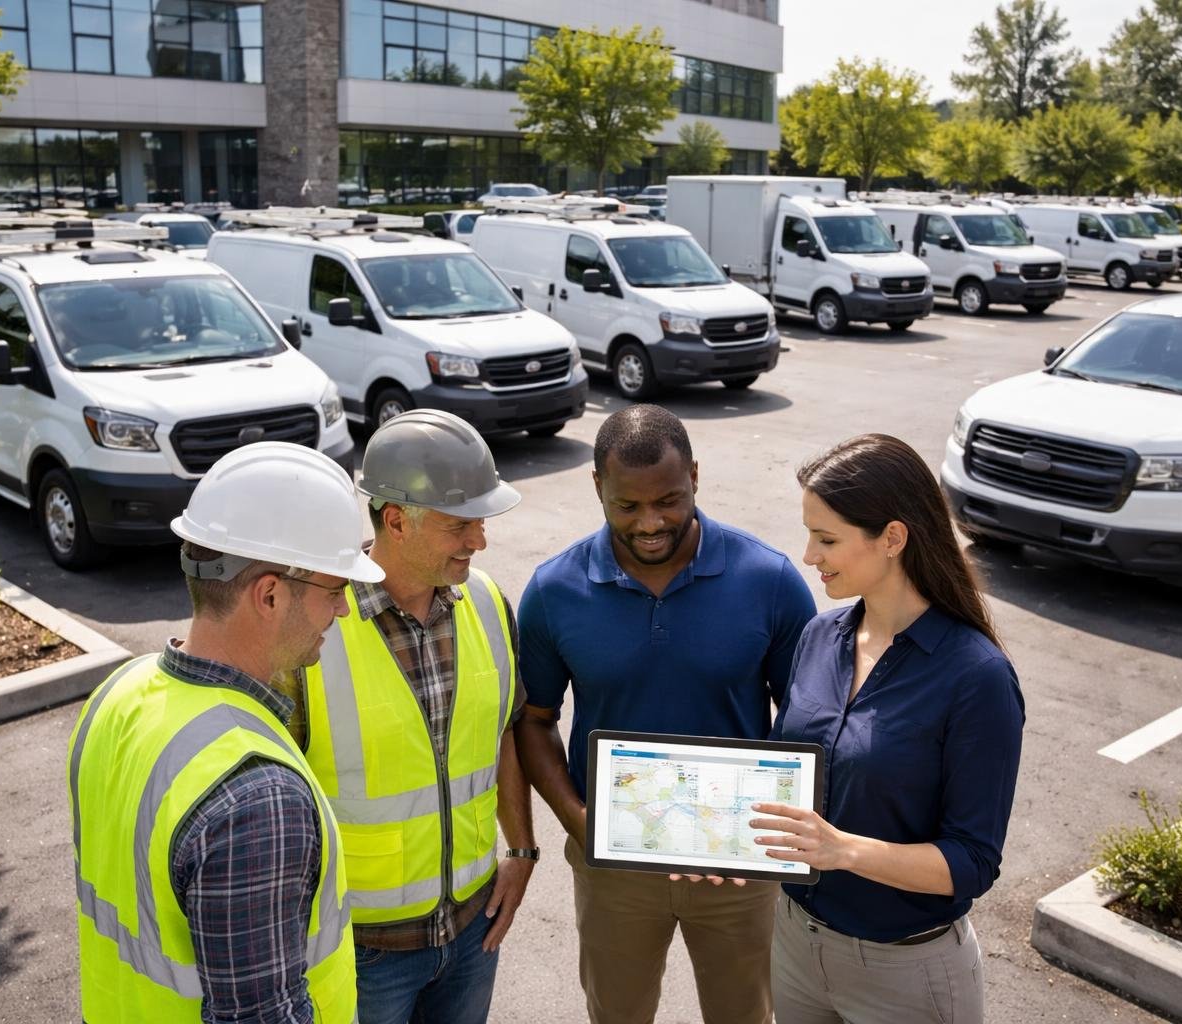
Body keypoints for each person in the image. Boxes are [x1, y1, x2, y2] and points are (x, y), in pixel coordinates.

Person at [516, 403, 817, 1024]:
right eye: (628, 506)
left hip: (738, 870)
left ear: (696, 478)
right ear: (597, 486)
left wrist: (772, 830)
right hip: (614, 868)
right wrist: (582, 824)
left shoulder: (771, 580)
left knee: (746, 1015)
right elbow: (535, 722)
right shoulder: (553, 591)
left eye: (670, 501)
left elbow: (808, 720)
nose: (651, 522)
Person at [68, 441, 383, 1023]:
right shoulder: (257, 797)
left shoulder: (117, 695)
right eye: (336, 589)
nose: (343, 611)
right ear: (269, 593)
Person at [751, 434, 1026, 1024]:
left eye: (826, 539)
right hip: (797, 943)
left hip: (906, 974)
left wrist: (845, 851)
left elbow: (973, 861)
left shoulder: (977, 677)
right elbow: (782, 783)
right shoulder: (818, 637)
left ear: (893, 539)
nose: (808, 555)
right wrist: (708, 838)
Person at [299, 409, 534, 1024]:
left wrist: (524, 851)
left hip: (472, 934)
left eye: (480, 523)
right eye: (461, 525)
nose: (480, 541)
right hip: (363, 950)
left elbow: (506, 733)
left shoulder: (486, 602)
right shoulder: (316, 626)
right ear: (396, 520)